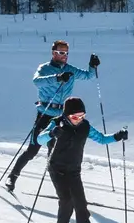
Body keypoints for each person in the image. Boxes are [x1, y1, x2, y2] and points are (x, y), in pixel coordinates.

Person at [6, 40, 98, 194]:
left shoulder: (70, 70)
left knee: (55, 155)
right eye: (61, 52)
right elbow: (36, 81)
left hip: (62, 117)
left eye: (67, 53)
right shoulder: (44, 68)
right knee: (32, 150)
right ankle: (12, 176)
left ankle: (62, 191)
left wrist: (93, 66)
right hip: (45, 113)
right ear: (53, 53)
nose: (65, 56)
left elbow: (89, 76)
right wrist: (57, 77)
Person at [43, 95, 124, 223]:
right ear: (67, 115)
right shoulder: (56, 124)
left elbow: (101, 139)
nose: (79, 119)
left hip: (74, 169)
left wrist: (117, 136)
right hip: (57, 168)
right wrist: (51, 134)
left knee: (80, 202)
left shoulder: (85, 126)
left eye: (82, 116)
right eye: (75, 116)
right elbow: (39, 139)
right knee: (66, 200)